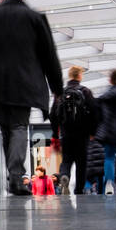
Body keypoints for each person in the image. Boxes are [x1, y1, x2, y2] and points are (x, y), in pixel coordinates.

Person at [0, 0, 63, 196]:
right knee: (19, 126)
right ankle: (15, 175)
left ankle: (13, 176)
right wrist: (57, 87)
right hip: (25, 83)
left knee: (6, 128)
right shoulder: (34, 18)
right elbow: (49, 54)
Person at [50, 65, 97, 194]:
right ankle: (79, 190)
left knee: (66, 160)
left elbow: (53, 114)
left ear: (70, 76)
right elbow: (94, 112)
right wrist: (92, 132)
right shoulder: (85, 91)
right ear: (79, 76)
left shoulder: (61, 93)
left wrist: (55, 133)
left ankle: (64, 176)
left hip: (66, 134)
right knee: (81, 163)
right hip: (82, 134)